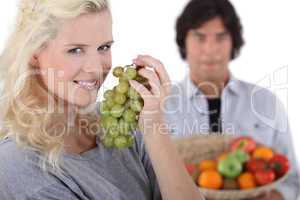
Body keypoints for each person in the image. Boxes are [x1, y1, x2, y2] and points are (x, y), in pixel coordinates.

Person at [0, 0, 203, 199]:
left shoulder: (119, 124)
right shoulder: (17, 164)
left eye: (104, 47)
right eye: (75, 50)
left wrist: (154, 125)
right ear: (35, 53)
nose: (96, 68)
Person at [164, 0, 300, 199]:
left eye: (221, 37)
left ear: (233, 41)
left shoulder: (265, 103)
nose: (210, 49)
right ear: (184, 40)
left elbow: (293, 180)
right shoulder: (160, 105)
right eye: (199, 37)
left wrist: (277, 195)